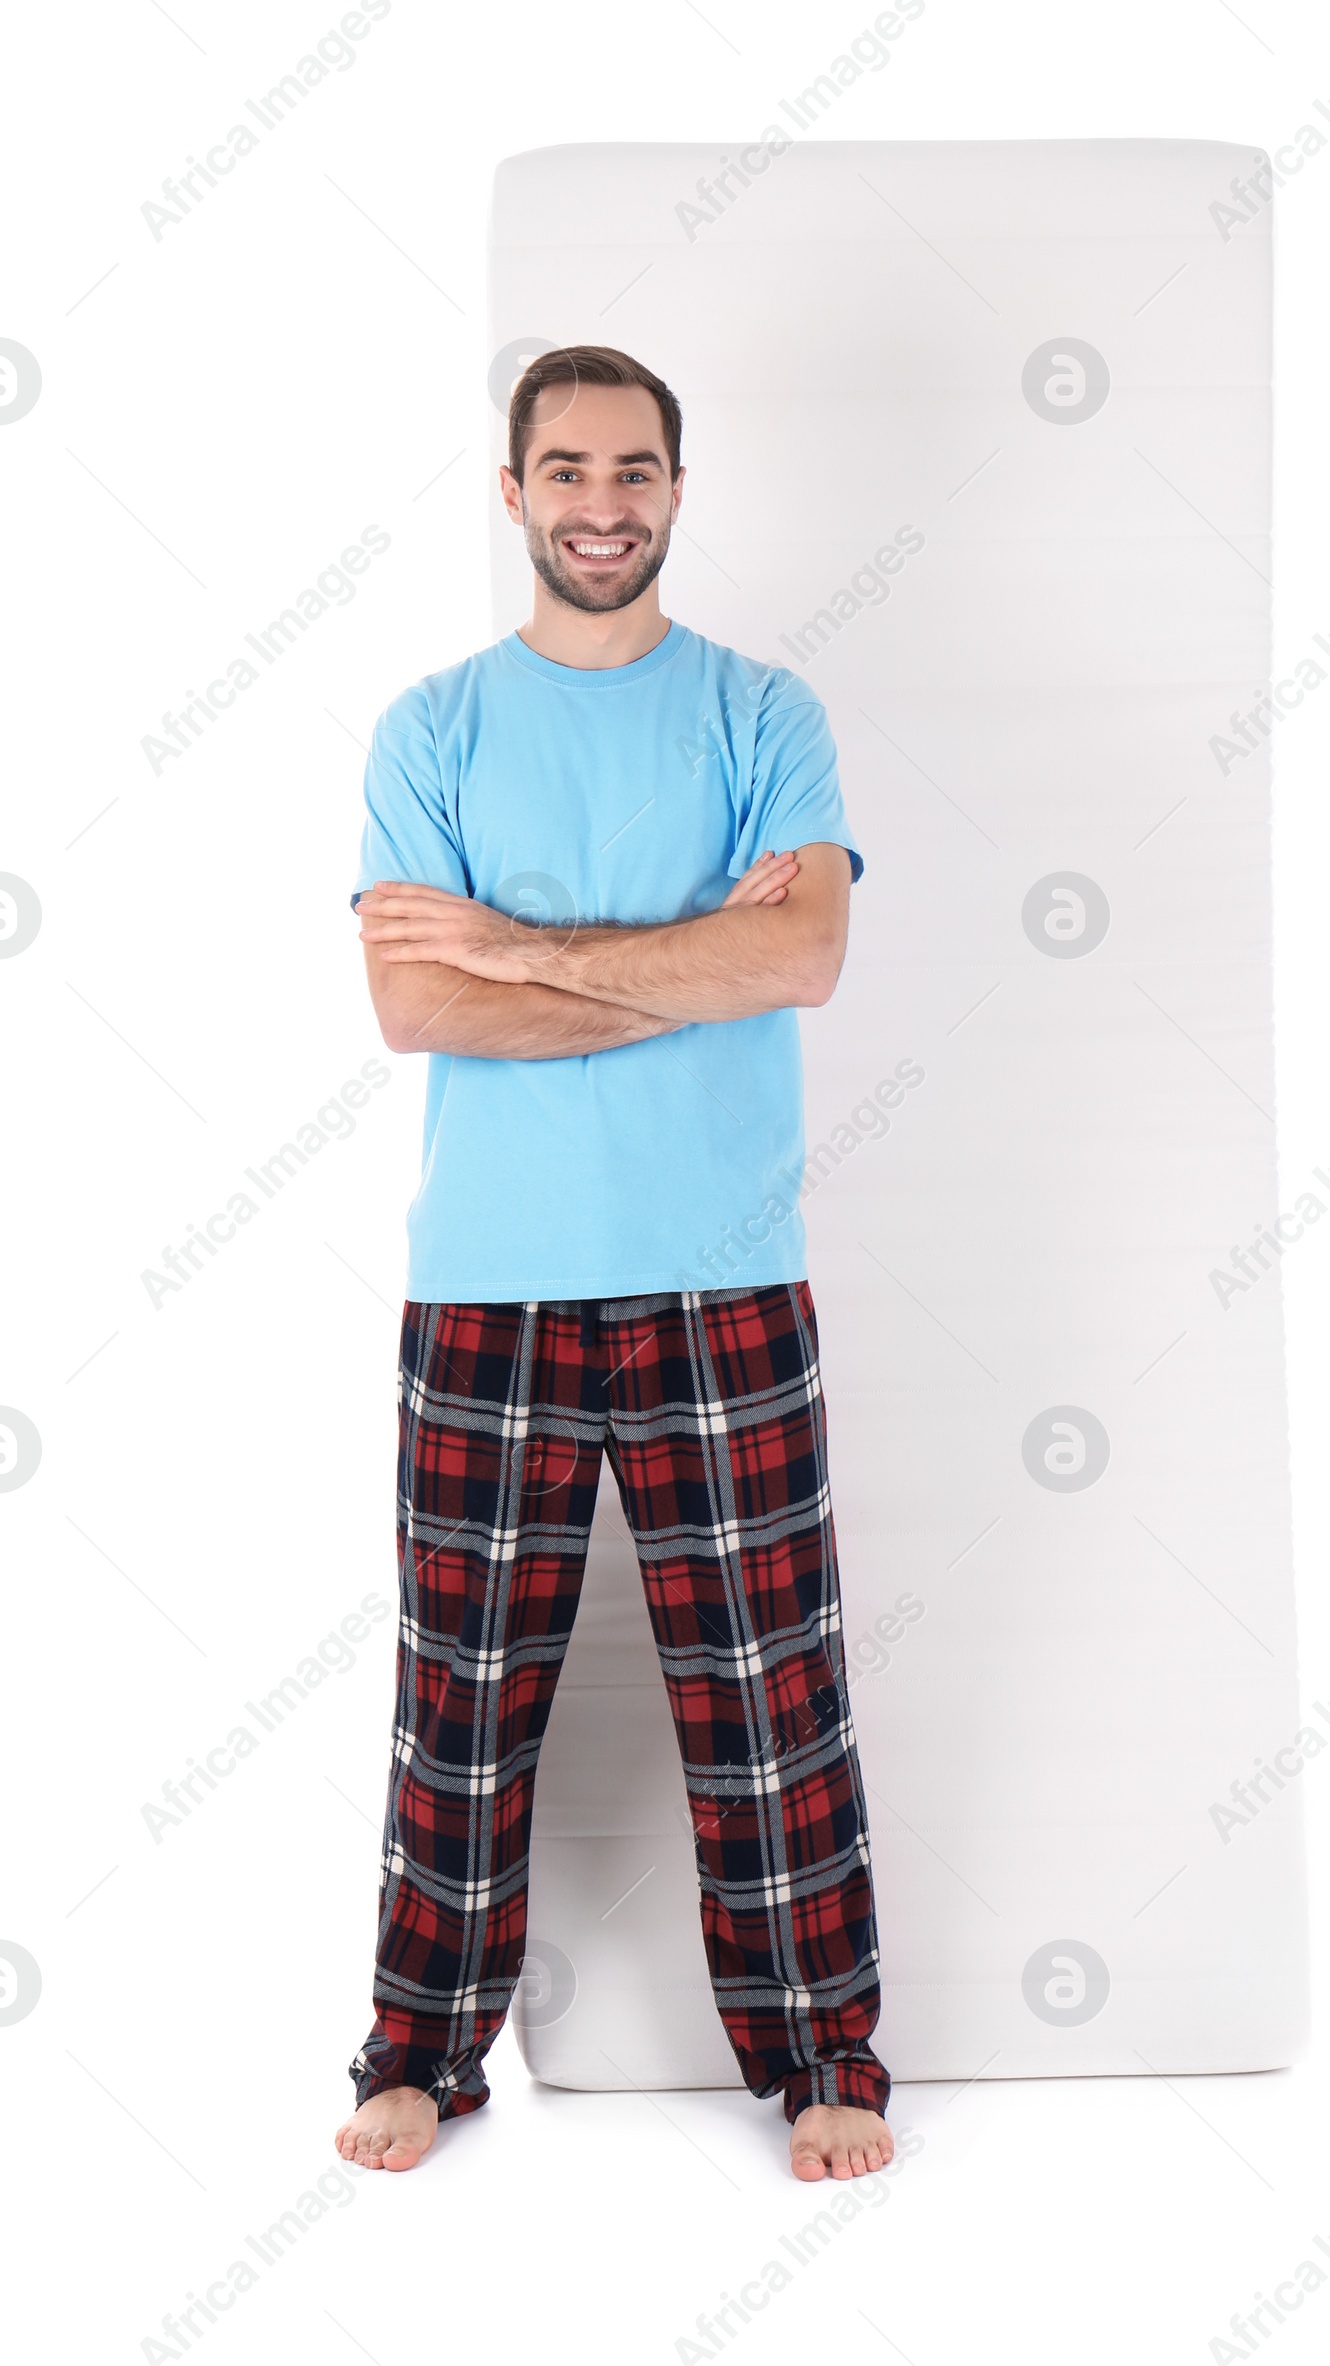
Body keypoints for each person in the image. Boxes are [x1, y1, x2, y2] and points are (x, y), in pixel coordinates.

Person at [333, 343, 893, 2184]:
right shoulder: (431, 728)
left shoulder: (763, 712)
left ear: (675, 488)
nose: (601, 501)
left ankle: (826, 2059)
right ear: (512, 493)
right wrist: (655, 960)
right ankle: (418, 2051)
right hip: (488, 1285)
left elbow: (795, 962)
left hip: (724, 1280)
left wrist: (524, 949)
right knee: (463, 1693)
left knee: (766, 1690)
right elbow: (418, 998)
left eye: (634, 469)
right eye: (564, 468)